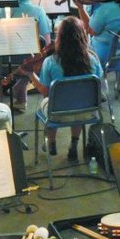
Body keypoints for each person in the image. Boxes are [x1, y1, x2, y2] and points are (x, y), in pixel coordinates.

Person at [32, 16, 103, 161]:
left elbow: (45, 91)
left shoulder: (50, 62)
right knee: (76, 101)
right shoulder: (92, 59)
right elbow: (99, 83)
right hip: (87, 112)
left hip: (58, 114)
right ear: (82, 36)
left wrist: (31, 76)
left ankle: (51, 142)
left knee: (49, 102)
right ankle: (74, 144)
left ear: (59, 38)